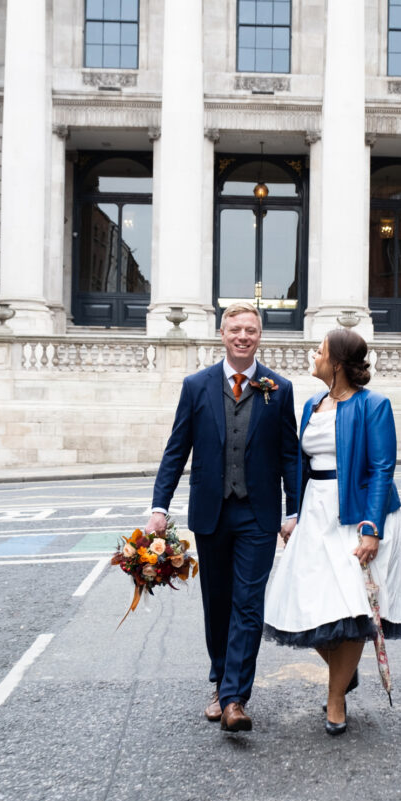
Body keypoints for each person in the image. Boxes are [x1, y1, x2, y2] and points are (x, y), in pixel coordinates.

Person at [146, 303, 298, 733]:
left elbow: (290, 455)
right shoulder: (196, 386)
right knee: (218, 604)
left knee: (248, 605)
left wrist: (293, 511)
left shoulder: (278, 389)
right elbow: (177, 450)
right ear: (222, 333)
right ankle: (219, 679)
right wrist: (160, 507)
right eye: (236, 329)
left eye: (251, 330)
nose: (243, 336)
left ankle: (234, 698)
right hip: (211, 512)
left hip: (258, 514)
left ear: (260, 336)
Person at [263, 328, 401, 735]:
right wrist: (293, 513)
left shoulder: (374, 405)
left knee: (351, 606)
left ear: (338, 364)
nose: (314, 354)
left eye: (321, 350)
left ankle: (334, 700)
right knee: (306, 602)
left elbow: (382, 468)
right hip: (316, 512)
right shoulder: (312, 404)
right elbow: (301, 465)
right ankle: (343, 673)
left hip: (358, 514)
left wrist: (372, 528)